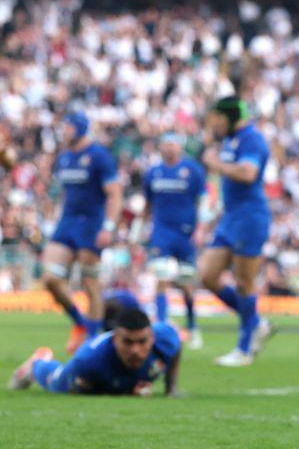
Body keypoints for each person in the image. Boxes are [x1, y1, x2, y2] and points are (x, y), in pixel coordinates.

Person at [198, 96, 274, 367]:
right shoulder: (230, 140)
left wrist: (215, 164)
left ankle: (244, 349)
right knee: (207, 275)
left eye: (217, 119)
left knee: (244, 283)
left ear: (230, 117)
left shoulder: (251, 138)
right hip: (230, 218)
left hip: (250, 217)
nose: (214, 125)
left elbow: (248, 174)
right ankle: (256, 322)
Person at [41, 112, 122, 354]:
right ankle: (81, 323)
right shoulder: (64, 157)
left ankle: (94, 339)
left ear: (79, 129)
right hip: (67, 223)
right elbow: (63, 192)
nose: (63, 132)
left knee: (90, 283)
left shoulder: (99, 156)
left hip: (92, 224)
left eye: (67, 128)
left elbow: (115, 194)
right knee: (50, 279)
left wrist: (108, 227)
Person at [9, 308, 181, 397]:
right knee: (57, 382)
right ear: (115, 339)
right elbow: (87, 390)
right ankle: (38, 362)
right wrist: (127, 391)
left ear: (152, 337)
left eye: (142, 341)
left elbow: (177, 349)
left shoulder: (166, 337)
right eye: (127, 342)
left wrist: (170, 387)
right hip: (82, 377)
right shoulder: (88, 362)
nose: (135, 349)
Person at [137, 132, 206, 349]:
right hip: (161, 232)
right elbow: (147, 205)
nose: (168, 148)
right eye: (165, 144)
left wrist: (201, 228)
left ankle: (193, 326)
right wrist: (138, 229)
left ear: (180, 147)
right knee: (162, 278)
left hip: (186, 233)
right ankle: (161, 328)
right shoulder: (153, 173)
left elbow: (203, 200)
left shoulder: (193, 171)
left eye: (172, 144)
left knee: (186, 284)